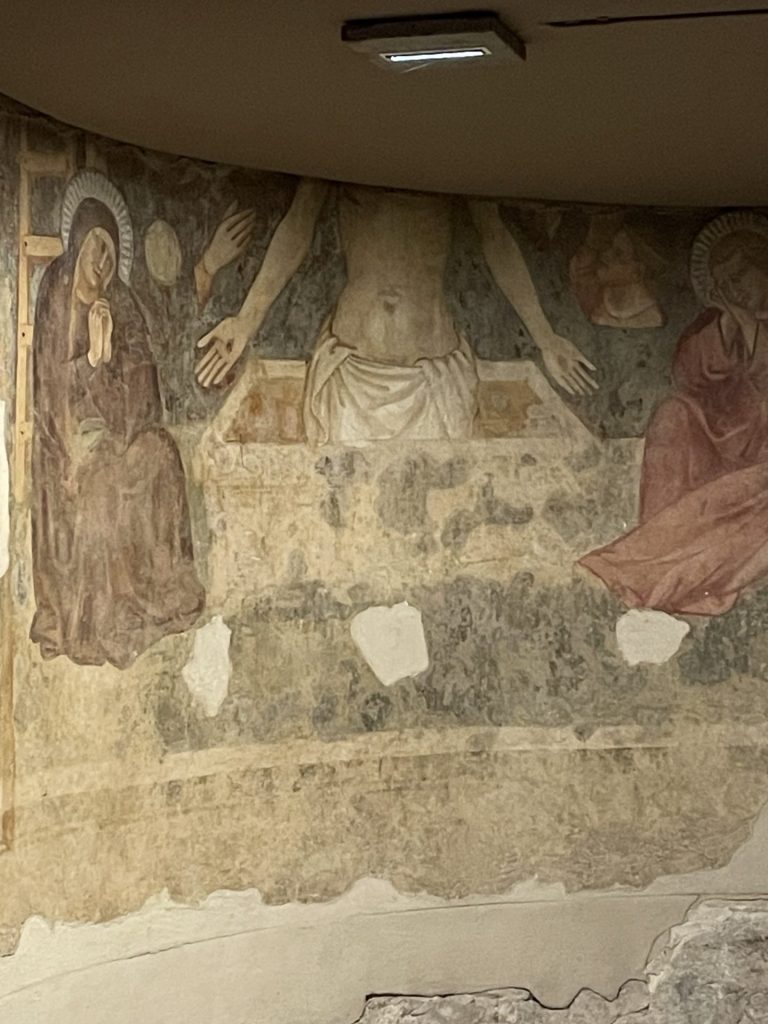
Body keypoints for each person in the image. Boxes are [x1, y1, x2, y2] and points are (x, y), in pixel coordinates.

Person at [195, 181, 597, 444]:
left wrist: (545, 337)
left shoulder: (458, 156)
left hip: (435, 375)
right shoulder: (336, 147)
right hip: (352, 376)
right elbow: (298, 226)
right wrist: (246, 320)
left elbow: (496, 239)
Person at [30, 171, 205, 668]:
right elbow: (50, 390)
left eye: (110, 251)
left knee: (162, 454)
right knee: (102, 482)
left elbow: (145, 391)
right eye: (96, 247)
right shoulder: (57, 294)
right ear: (77, 245)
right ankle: (102, 615)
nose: (103, 261)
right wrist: (91, 358)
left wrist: (111, 358)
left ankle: (158, 589)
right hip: (69, 444)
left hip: (121, 433)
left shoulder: (122, 302)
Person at [580, 213, 768, 616]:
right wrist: (730, 324)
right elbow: (688, 375)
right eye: (725, 282)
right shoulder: (721, 323)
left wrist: (751, 328)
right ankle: (656, 539)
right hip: (723, 436)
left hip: (762, 448)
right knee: (673, 413)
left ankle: (656, 566)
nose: (735, 288)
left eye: (741, 275)